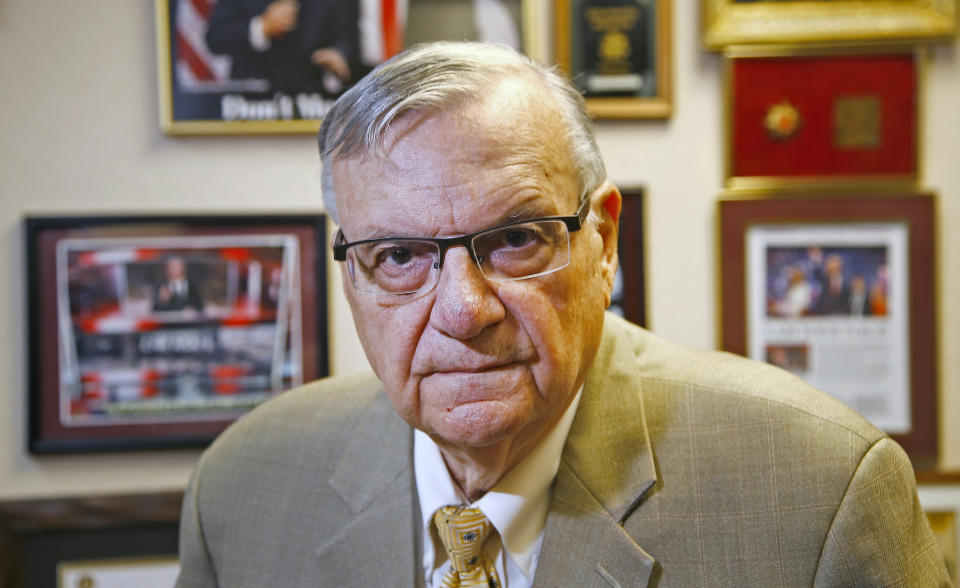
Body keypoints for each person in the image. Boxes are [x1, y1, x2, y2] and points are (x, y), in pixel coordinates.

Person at [175, 42, 948, 586]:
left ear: (603, 243)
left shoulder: (821, 492)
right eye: (400, 256)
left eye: (513, 239)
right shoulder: (242, 489)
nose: (464, 311)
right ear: (352, 270)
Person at [205, 0, 360, 96]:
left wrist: (339, 55)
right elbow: (215, 39)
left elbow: (347, 40)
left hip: (310, 101)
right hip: (248, 103)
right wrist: (262, 27)